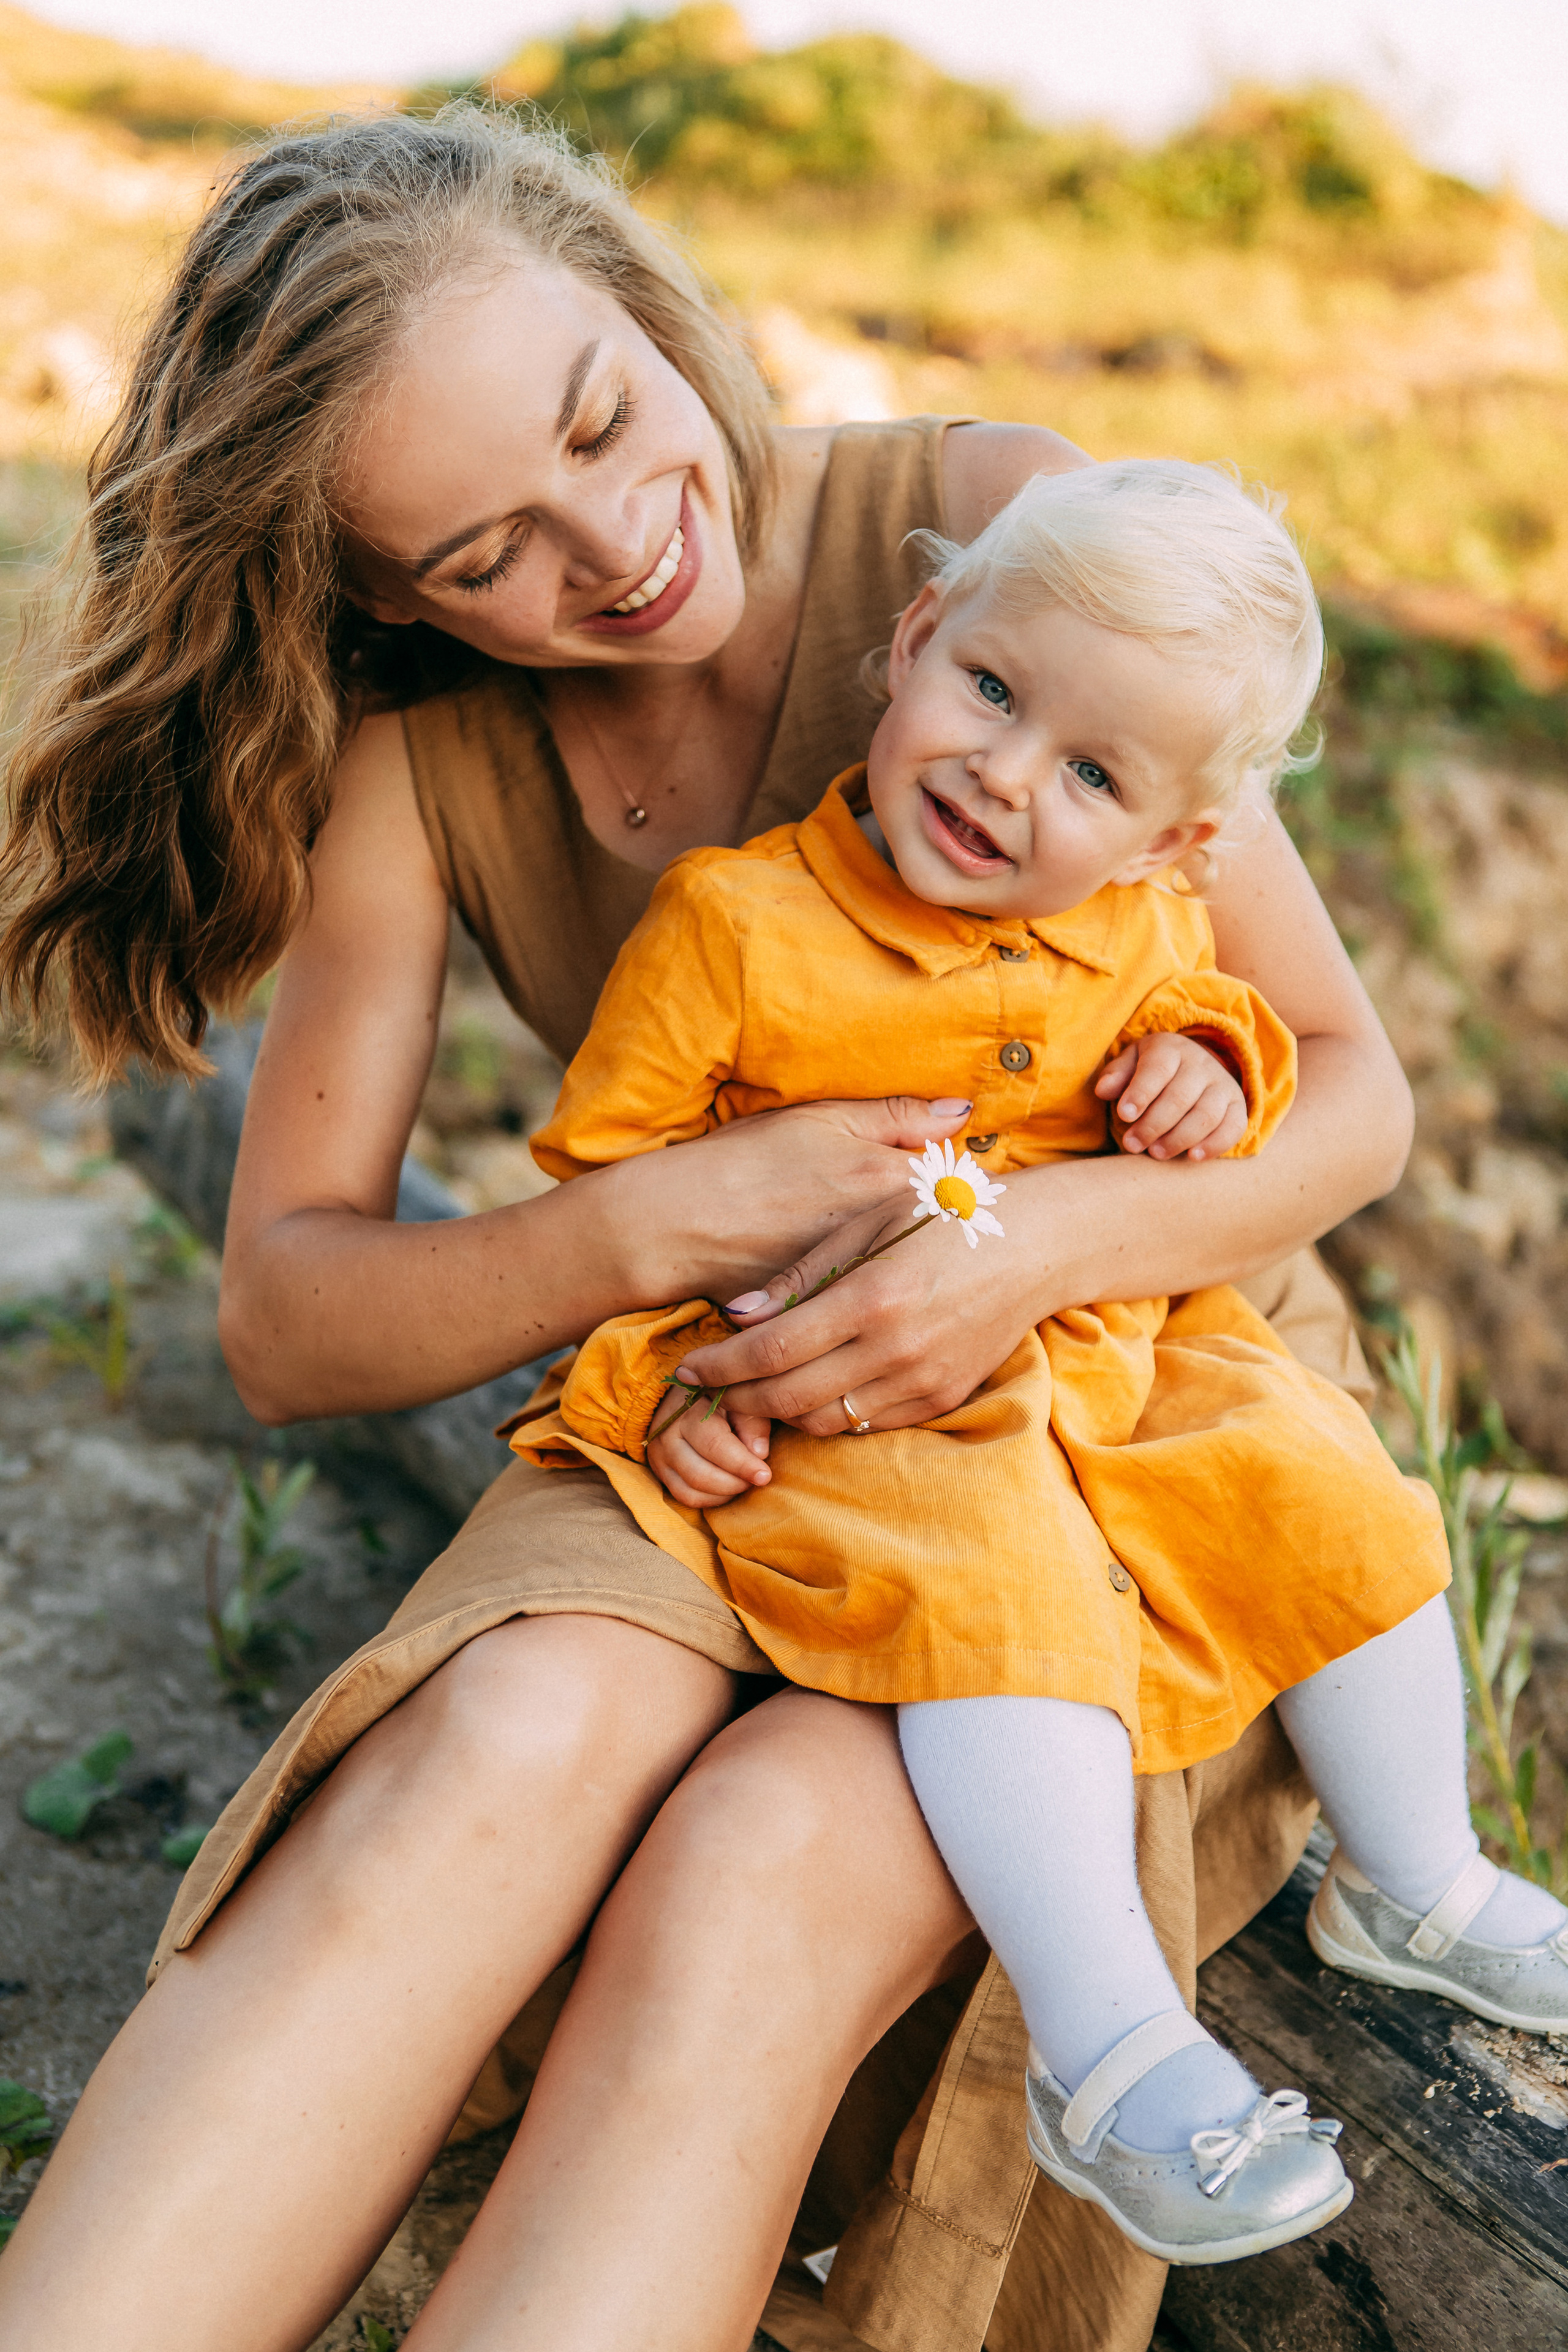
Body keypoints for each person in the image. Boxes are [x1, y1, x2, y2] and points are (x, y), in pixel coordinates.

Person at [0, 106, 1431, 2352]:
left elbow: (1356, 1097)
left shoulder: (988, 524)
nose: (623, 549)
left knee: (750, 1881)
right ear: (386, 594)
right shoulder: (426, 755)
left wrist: (1023, 1252)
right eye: (485, 549)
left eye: (602, 419)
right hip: (722, 1418)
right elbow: (286, 1315)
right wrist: (673, 1214)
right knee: (491, 1749)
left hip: (1125, 1397)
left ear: (641, 292)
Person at [510, 459, 1567, 2266]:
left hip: (1124, 1350)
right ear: (916, 641)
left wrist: (1216, 1077)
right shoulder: (733, 927)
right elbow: (610, 1205)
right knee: (1002, 1600)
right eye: (994, 693)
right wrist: (663, 1392)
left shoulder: (1144, 926)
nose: (1008, 775)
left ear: (1174, 847)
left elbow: (1220, 1026)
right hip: (874, 1401)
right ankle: (1110, 2047)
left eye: (1093, 776)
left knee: (1332, 1488)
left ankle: (1419, 1875)